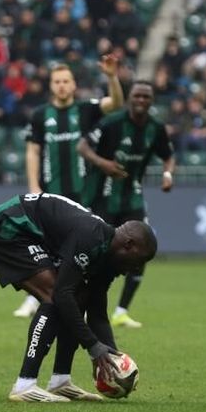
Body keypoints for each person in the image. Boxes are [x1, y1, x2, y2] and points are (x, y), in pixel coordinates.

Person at [0, 193, 158, 402]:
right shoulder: (90, 237)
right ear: (128, 244)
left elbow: (97, 313)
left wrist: (112, 358)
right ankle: (24, 384)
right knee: (53, 296)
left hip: (31, 232)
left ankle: (60, 381)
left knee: (79, 297)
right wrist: (93, 346)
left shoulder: (109, 260)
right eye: (139, 260)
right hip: (6, 226)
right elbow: (62, 295)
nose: (136, 269)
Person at [14, 56, 124, 318]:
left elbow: (116, 104)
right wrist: (33, 186)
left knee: (80, 250)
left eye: (66, 81)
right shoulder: (40, 115)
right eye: (57, 82)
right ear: (51, 86)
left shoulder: (86, 109)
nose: (62, 86)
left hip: (83, 194)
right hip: (50, 194)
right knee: (45, 248)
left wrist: (111, 77)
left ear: (74, 85)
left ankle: (79, 299)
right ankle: (34, 298)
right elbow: (32, 151)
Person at [77, 81, 175, 329]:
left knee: (142, 250)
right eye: (137, 95)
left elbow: (168, 156)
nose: (141, 100)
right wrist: (103, 163)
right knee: (96, 252)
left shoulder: (155, 128)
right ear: (130, 98)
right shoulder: (112, 122)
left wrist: (167, 174)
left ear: (151, 101)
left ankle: (121, 312)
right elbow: (82, 146)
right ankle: (85, 306)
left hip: (133, 197)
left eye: (146, 96)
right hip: (103, 196)